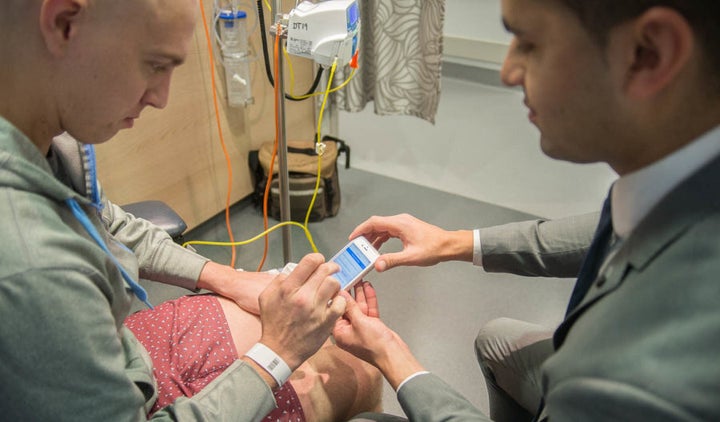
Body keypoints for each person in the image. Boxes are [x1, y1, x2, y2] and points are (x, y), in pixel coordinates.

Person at [332, 0, 720, 421]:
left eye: (530, 43)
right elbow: (603, 233)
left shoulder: (622, 379)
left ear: (649, 53)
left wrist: (391, 355)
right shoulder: (680, 185)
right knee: (498, 341)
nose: (508, 71)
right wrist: (453, 242)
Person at [0, 0, 380, 420]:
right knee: (358, 375)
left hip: (123, 350)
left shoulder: (46, 135)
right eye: (155, 65)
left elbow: (107, 223)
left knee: (334, 346)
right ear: (64, 22)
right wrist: (276, 353)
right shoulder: (31, 266)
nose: (161, 98)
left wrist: (232, 279)